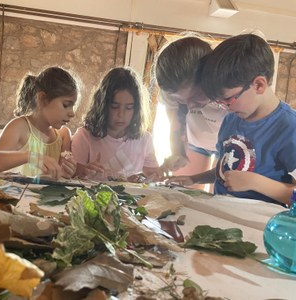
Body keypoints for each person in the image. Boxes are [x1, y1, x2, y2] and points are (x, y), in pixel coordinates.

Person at [167, 33, 296, 206]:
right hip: (222, 214)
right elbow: (226, 169)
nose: (225, 107)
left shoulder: (288, 127)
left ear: (258, 85)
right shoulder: (231, 120)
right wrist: (193, 179)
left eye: (227, 100)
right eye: (219, 102)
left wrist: (255, 183)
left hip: (257, 225)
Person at [154, 35, 227, 188]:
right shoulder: (171, 89)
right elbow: (175, 125)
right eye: (181, 100)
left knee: (220, 194)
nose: (190, 106)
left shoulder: (229, 92)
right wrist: (177, 152)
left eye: (195, 96)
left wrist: (197, 178)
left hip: (229, 145)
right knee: (183, 194)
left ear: (209, 79)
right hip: (196, 141)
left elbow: (229, 167)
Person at [0, 67, 79, 179]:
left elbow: (61, 176)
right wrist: (31, 156)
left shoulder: (63, 135)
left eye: (73, 106)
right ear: (42, 99)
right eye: (66, 105)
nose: (72, 113)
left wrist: (68, 171)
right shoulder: (20, 127)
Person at [71, 67, 160, 181]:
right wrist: (84, 171)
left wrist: (141, 179)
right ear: (103, 106)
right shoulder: (84, 136)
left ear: (136, 109)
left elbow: (154, 178)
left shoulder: (144, 139)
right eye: (115, 106)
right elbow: (72, 178)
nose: (121, 114)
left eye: (128, 108)